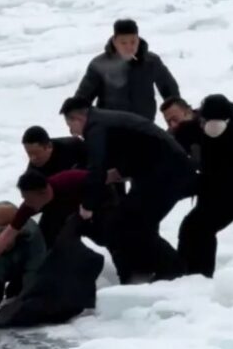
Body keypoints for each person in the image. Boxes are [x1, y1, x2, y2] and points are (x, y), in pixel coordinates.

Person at [60, 96, 197, 284]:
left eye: (70, 127)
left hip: (169, 174)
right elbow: (138, 148)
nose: (74, 133)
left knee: (136, 224)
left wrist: (87, 205)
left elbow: (96, 167)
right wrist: (120, 172)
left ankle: (175, 270)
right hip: (161, 171)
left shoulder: (95, 127)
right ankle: (144, 271)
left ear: (77, 119)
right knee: (126, 221)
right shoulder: (106, 119)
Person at [177, 94, 233, 277]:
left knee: (196, 228)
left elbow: (216, 175)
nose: (204, 128)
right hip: (220, 187)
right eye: (203, 123)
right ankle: (196, 277)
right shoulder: (199, 123)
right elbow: (181, 136)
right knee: (193, 229)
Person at [74, 19, 179, 121]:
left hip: (144, 125)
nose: (129, 47)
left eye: (133, 42)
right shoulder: (99, 64)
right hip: (110, 128)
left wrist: (176, 112)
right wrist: (79, 119)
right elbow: (83, 98)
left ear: (138, 39)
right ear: (115, 42)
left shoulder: (151, 62)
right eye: (123, 43)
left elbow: (170, 89)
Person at [22, 125, 87, 177]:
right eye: (29, 154)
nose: (33, 158)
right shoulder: (33, 171)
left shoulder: (73, 146)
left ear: (49, 146)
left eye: (36, 153)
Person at [160, 95, 203, 164]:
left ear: (188, 112)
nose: (172, 125)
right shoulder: (170, 137)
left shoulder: (211, 122)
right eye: (168, 122)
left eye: (175, 119)